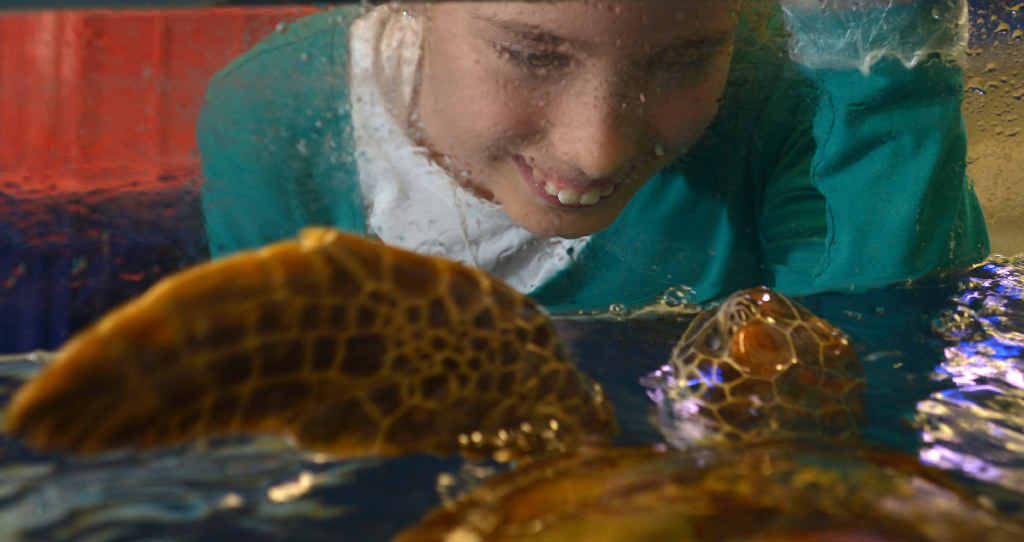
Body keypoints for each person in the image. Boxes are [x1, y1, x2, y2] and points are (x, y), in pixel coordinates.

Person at [197, 0, 989, 313]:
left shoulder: (790, 104)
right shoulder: (273, 120)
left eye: (683, 60)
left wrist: (884, 71)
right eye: (530, 54)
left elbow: (888, 372)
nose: (595, 150)